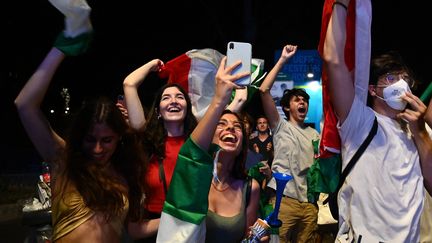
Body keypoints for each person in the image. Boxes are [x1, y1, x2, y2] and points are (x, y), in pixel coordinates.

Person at [322, 0, 432, 241]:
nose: (401, 84)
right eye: (392, 77)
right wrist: (340, 5)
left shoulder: (416, 132)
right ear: (372, 90)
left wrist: (421, 131)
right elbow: (333, 59)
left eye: (405, 78)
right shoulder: (360, 121)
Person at [14, 46, 148, 241]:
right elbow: (25, 105)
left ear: (118, 137)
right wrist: (60, 48)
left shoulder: (125, 172)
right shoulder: (64, 160)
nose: (97, 149)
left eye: (107, 140)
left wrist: (180, 220)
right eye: (90, 139)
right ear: (79, 136)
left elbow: (138, 126)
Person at [156, 57, 268, 242]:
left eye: (237, 126)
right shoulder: (194, 178)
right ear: (210, 136)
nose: (230, 128)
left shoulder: (251, 187)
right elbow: (193, 152)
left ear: (243, 144)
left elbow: (247, 237)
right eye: (221, 124)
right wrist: (219, 98)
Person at [122, 59, 198, 242]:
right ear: (158, 111)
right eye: (166, 98)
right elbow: (129, 84)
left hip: (192, 233)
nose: (173, 101)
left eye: (180, 97)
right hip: (152, 231)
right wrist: (151, 65)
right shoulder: (146, 143)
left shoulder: (198, 142)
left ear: (188, 108)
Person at [259, 44, 320, 242]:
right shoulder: (280, 126)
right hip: (283, 202)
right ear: (286, 107)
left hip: (309, 205)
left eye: (305, 100)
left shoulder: (315, 135)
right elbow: (264, 90)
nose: (302, 103)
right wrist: (283, 59)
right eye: (297, 100)